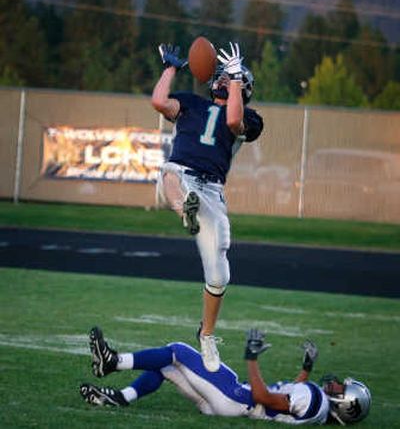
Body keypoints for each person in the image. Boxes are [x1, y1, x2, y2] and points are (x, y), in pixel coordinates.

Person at [151, 41, 264, 372]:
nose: (225, 80)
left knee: (219, 273)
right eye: (225, 77)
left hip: (211, 190)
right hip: (183, 174)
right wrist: (171, 68)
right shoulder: (190, 103)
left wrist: (235, 80)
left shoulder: (250, 119)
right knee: (169, 175)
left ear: (243, 89)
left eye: (234, 80)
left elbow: (232, 122)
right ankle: (184, 211)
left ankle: (207, 334)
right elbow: (159, 101)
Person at [80, 326, 371, 426]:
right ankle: (122, 398)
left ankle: (112, 362)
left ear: (346, 403)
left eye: (341, 387)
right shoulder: (317, 409)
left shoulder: (316, 399)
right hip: (229, 406)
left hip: (236, 398)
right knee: (166, 368)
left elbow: (264, 397)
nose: (335, 383)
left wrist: (251, 356)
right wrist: (306, 368)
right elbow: (291, 398)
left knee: (177, 351)